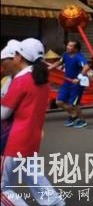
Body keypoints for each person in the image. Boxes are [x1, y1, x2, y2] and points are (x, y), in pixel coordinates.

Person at [1, 38, 66, 206]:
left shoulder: (21, 80)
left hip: (14, 140)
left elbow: (3, 113)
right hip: (32, 137)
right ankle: (56, 204)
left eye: (15, 54)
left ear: (19, 57)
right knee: (35, 178)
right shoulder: (42, 80)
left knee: (3, 188)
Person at [49, 40, 91, 128]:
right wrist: (49, 68)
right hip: (67, 83)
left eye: (71, 46)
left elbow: (86, 67)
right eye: (68, 45)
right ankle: (73, 116)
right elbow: (60, 62)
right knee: (59, 102)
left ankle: (82, 120)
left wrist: (78, 77)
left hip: (76, 85)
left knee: (74, 104)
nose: (68, 47)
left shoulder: (79, 57)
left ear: (76, 49)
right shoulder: (65, 55)